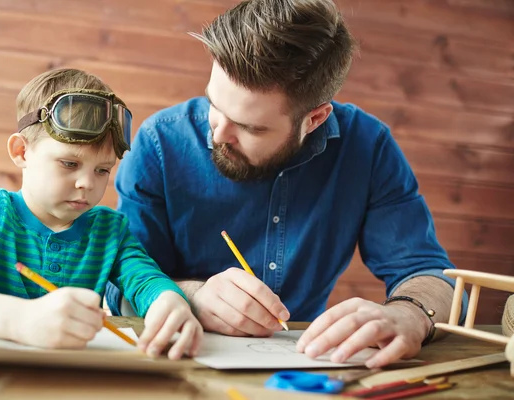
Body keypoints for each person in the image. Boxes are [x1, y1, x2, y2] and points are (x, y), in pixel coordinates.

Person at [106, 0, 468, 368]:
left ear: (314, 118)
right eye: (214, 103)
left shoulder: (367, 148)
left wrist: (412, 314)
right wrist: (190, 295)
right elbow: (119, 285)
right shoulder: (159, 142)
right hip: (177, 363)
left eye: (250, 127)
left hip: (305, 367)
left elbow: (427, 272)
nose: (217, 134)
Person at [0, 68, 202, 360]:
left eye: (102, 170)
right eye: (68, 163)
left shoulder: (109, 231)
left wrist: (170, 301)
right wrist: (20, 320)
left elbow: (145, 280)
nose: (88, 183)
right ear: (22, 152)